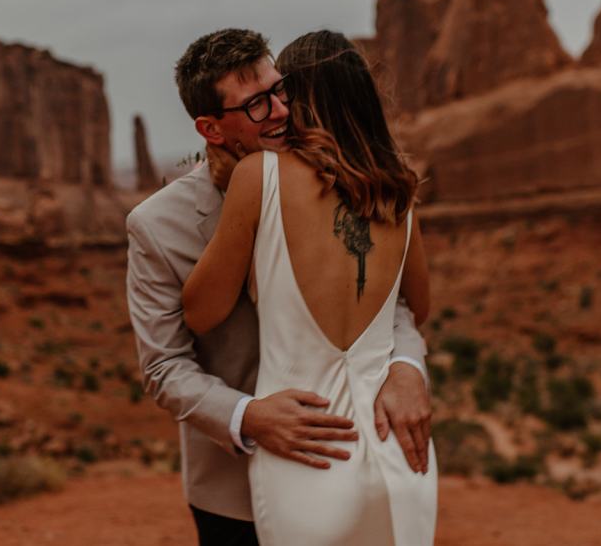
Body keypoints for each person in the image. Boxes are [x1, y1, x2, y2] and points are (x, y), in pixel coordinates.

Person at [126, 28, 432, 546]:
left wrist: (407, 365)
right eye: (256, 104)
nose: (281, 110)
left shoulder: (342, 178)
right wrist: (249, 417)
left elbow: (391, 299)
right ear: (211, 127)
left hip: (346, 457)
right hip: (231, 487)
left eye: (281, 89)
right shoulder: (156, 225)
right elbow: (163, 366)